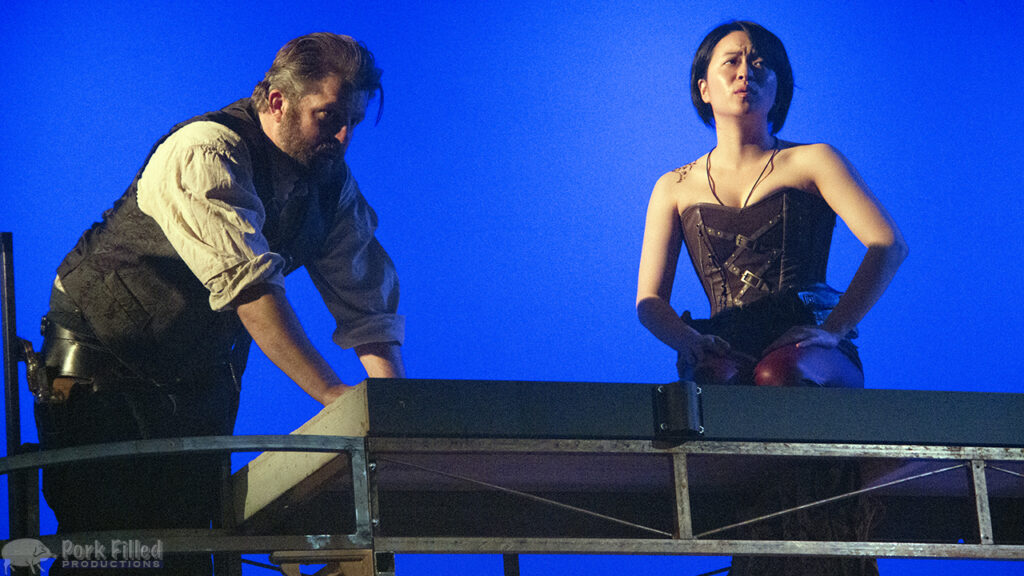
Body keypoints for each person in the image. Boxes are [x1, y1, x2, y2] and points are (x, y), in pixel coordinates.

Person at [34, 33, 404, 574]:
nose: (343, 136)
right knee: (109, 551)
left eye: (353, 121)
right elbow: (251, 290)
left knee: (187, 552)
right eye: (328, 117)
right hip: (103, 369)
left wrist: (390, 412)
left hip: (197, 381)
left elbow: (367, 300)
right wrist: (335, 399)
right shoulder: (206, 150)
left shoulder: (330, 184)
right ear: (277, 101)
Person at [636, 21, 907, 575]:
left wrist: (834, 329)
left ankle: (829, 549)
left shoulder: (813, 160)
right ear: (703, 86)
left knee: (778, 375)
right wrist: (688, 339)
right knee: (719, 382)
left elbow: (887, 244)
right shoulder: (673, 186)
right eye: (732, 61)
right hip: (727, 348)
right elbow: (649, 302)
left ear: (780, 85)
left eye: (761, 62)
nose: (747, 71)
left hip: (805, 348)